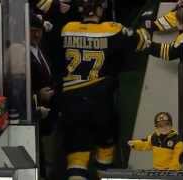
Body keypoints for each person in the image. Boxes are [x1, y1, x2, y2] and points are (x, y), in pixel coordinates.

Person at [59, 0, 150, 179]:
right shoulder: (111, 29)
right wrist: (147, 21)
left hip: (73, 102)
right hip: (101, 101)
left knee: (77, 160)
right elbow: (142, 41)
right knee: (105, 154)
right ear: (100, 8)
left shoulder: (67, 28)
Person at [30, 13, 56, 179]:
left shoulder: (41, 50)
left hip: (47, 115)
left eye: (39, 30)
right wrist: (37, 95)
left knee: (45, 157)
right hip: (32, 115)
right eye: (33, 30)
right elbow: (17, 86)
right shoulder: (21, 53)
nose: (37, 34)